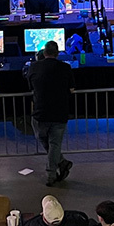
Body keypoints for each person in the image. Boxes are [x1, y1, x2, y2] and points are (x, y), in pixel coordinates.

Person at [25, 39, 75, 186]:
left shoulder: (33, 67)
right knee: (54, 144)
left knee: (46, 141)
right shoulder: (65, 68)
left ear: (44, 52)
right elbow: (72, 89)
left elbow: (31, 88)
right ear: (58, 53)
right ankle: (62, 162)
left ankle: (51, 174)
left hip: (40, 112)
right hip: (60, 112)